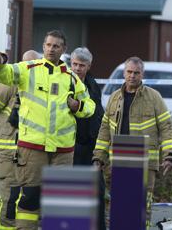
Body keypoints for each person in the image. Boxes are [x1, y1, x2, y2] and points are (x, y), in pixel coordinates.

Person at [0, 30, 95, 230]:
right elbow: (6, 74)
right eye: (48, 45)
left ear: (64, 49)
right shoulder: (28, 68)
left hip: (62, 150)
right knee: (30, 197)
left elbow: (89, 106)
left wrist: (78, 107)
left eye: (56, 46)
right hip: (32, 147)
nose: (51, 49)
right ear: (43, 46)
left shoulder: (71, 78)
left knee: (59, 201)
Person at [92, 56, 172, 227]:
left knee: (141, 208)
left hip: (145, 164)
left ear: (142, 74)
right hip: (119, 163)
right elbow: (104, 130)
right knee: (120, 207)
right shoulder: (114, 98)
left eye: (136, 73)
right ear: (124, 73)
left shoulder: (154, 98)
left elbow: (167, 127)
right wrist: (98, 158)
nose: (132, 76)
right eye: (129, 72)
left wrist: (170, 155)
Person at [0, 50, 40, 230]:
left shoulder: (38, 85)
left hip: (28, 153)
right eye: (27, 65)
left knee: (26, 200)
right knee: (9, 198)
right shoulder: (9, 83)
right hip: (8, 151)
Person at [70, 47, 106, 230]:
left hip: (90, 146)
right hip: (69, 146)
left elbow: (99, 115)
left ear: (89, 66)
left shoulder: (93, 86)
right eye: (74, 64)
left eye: (81, 65)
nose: (77, 68)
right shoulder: (64, 82)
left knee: (97, 191)